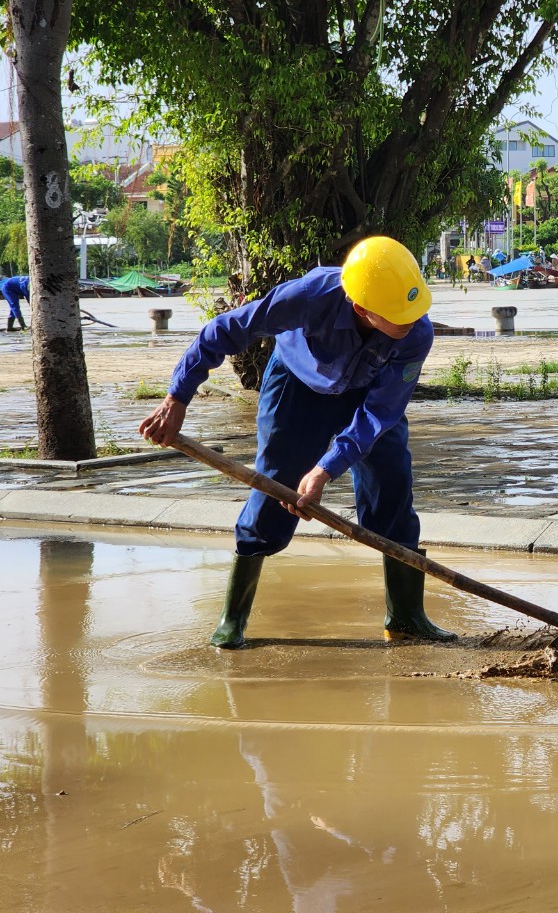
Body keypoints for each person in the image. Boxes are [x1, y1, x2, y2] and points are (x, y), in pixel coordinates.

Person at [138, 236, 455, 649]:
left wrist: (326, 468)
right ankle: (233, 618)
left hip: (368, 394)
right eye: (399, 315)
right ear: (362, 308)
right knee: (276, 483)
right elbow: (226, 330)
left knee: (392, 485)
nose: (412, 321)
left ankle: (407, 617)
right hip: (298, 383)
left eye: (416, 310)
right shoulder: (310, 295)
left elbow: (379, 413)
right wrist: (177, 396)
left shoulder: (415, 333)